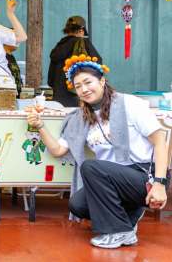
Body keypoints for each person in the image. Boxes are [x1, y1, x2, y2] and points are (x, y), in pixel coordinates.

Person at [26, 55, 168, 249]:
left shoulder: (129, 104)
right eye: (78, 86)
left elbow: (160, 142)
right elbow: (58, 150)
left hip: (144, 176)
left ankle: (118, 231)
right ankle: (127, 220)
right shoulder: (81, 118)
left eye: (88, 82)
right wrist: (40, 126)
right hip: (113, 180)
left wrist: (160, 184)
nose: (84, 89)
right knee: (78, 204)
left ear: (101, 81)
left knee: (91, 167)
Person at [48, 16, 102, 107]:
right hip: (81, 95)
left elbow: (50, 80)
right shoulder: (84, 44)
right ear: (81, 30)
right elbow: (98, 65)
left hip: (59, 97)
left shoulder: (59, 47)